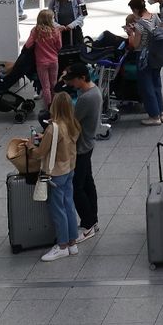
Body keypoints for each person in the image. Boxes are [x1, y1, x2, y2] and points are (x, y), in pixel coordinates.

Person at [38, 94, 83, 262]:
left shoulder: (53, 128)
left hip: (56, 173)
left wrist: (31, 145)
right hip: (70, 168)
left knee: (58, 209)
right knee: (69, 205)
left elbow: (41, 152)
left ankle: (62, 245)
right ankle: (72, 243)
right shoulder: (74, 124)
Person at [64, 65, 104, 243]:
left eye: (73, 80)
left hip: (81, 147)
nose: (71, 83)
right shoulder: (94, 90)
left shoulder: (86, 98)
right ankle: (93, 220)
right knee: (88, 183)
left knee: (76, 187)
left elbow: (72, 121)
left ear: (82, 77)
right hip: (89, 143)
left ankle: (88, 224)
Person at [125, 0, 161, 124]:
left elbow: (135, 45)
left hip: (143, 56)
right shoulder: (154, 16)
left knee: (147, 86)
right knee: (156, 83)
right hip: (156, 54)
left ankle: (154, 116)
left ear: (135, 9)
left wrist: (131, 33)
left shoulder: (139, 25)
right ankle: (161, 112)